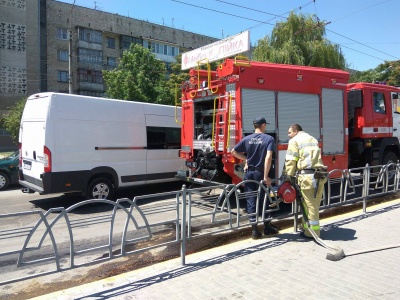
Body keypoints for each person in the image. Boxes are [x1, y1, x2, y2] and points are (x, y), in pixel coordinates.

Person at [231, 117, 279, 239]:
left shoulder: (247, 139)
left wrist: (246, 159)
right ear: (263, 125)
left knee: (250, 199)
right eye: (265, 125)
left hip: (249, 173)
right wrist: (266, 176)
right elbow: (268, 157)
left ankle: (254, 230)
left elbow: (233, 151)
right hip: (260, 173)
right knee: (264, 199)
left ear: (254, 126)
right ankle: (267, 227)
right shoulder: (268, 139)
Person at [282, 124, 327, 238]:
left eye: (289, 132)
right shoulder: (312, 139)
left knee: (311, 206)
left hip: (307, 178)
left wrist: (288, 176)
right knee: (310, 204)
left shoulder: (294, 141)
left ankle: (314, 233)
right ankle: (307, 229)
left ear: (295, 131)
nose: (288, 135)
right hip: (319, 175)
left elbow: (291, 161)